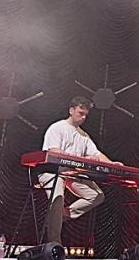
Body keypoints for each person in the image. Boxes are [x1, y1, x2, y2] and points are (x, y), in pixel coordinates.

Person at [38, 98, 120, 244]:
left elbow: (96, 154)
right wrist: (79, 158)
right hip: (52, 172)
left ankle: (61, 215)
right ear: (71, 111)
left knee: (97, 196)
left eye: (85, 115)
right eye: (80, 113)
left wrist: (112, 164)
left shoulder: (83, 135)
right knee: (57, 200)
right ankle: (54, 244)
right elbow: (54, 152)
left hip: (72, 173)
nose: (83, 117)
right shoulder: (57, 128)